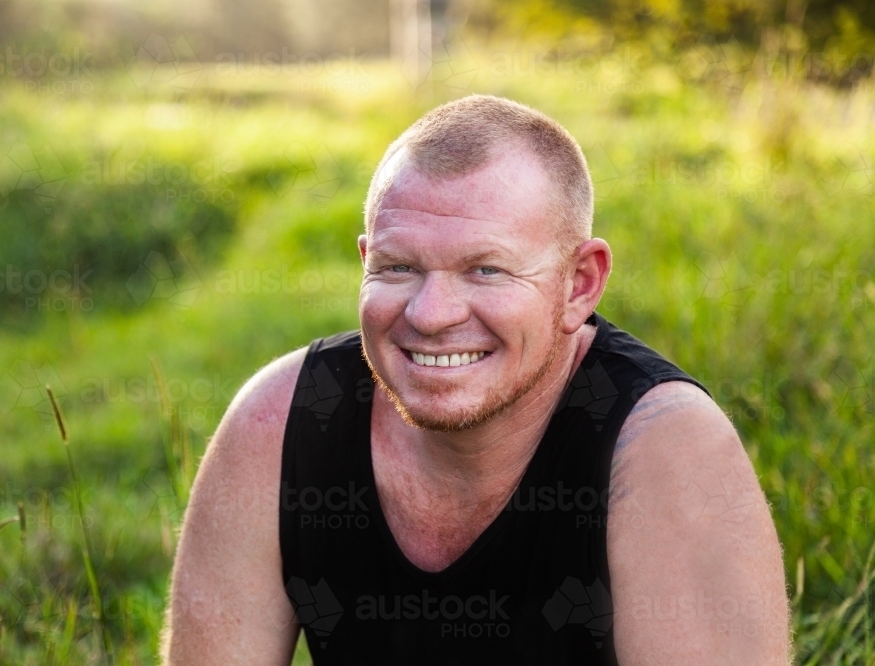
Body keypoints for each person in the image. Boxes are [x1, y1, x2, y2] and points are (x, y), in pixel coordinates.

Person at [162, 94, 789, 665]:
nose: (431, 315)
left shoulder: (666, 453)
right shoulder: (280, 425)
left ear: (580, 285)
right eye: (399, 267)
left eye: (486, 270)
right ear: (364, 263)